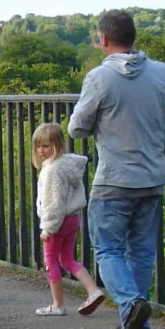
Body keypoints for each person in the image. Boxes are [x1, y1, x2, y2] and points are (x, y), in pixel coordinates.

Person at [68, 9, 165, 329]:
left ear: (104, 39)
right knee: (141, 251)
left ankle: (130, 305)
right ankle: (134, 323)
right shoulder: (160, 73)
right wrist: (158, 119)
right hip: (153, 178)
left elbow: (76, 128)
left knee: (107, 247)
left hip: (113, 179)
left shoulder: (98, 78)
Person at [31, 122, 105, 317]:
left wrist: (48, 228)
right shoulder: (67, 165)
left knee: (50, 261)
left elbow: (53, 204)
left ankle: (57, 304)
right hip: (73, 218)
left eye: (46, 146)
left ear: (58, 145)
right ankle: (93, 290)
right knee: (67, 258)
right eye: (38, 146)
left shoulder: (51, 171)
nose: (41, 150)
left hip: (57, 222)